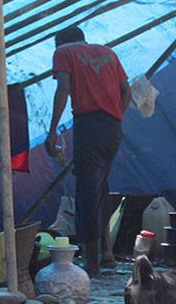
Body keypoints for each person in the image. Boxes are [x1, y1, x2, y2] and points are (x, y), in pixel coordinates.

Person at [45, 26, 132, 277]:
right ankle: (107, 253)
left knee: (87, 193)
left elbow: (63, 89)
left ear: (59, 43)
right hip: (112, 128)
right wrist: (114, 116)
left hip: (88, 125)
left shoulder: (63, 51)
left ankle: (91, 266)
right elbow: (126, 93)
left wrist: (52, 130)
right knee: (100, 187)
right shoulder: (108, 52)